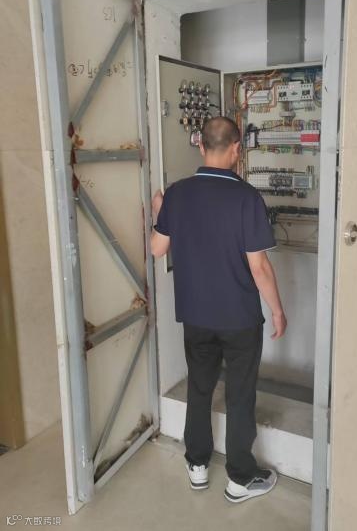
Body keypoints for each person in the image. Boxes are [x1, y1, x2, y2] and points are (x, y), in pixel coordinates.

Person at [150, 116, 287, 503]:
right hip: (239, 318)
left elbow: (157, 249)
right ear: (237, 149)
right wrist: (277, 310)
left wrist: (161, 211)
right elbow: (259, 267)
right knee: (240, 395)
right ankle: (240, 479)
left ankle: (196, 464)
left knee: (199, 387)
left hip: (195, 315)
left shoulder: (177, 194)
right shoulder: (247, 198)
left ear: (200, 146)